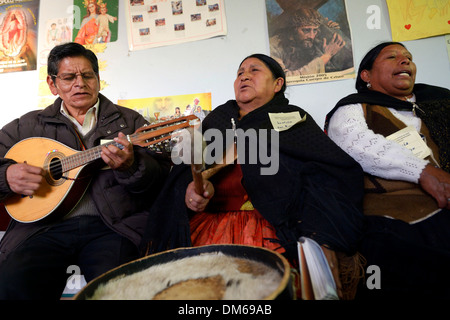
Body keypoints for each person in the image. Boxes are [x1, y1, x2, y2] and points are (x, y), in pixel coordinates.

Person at [142, 53, 366, 299]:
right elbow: (187, 174)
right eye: (240, 73)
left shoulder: (294, 120)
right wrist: (191, 192)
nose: (244, 76)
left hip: (276, 225)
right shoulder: (217, 120)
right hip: (209, 227)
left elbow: (327, 171)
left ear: (277, 84)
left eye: (254, 70)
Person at [0, 42, 169, 299]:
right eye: (69, 77)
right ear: (52, 84)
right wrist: (6, 177)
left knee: (119, 290)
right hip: (42, 228)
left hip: (113, 227)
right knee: (13, 284)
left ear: (98, 80)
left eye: (88, 75)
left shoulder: (130, 122)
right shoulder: (27, 125)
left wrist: (131, 167)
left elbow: (161, 178)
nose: (80, 83)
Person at [325, 41, 450, 299]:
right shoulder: (354, 107)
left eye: (408, 57)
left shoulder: (439, 102)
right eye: (392, 56)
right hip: (392, 218)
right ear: (366, 76)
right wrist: (423, 172)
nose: (404, 60)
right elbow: (354, 142)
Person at [269, 7, 348, 76]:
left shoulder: (312, 42)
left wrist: (331, 31)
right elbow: (286, 77)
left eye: (315, 30)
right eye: (306, 30)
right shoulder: (273, 46)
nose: (311, 36)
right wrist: (326, 56)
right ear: (294, 29)